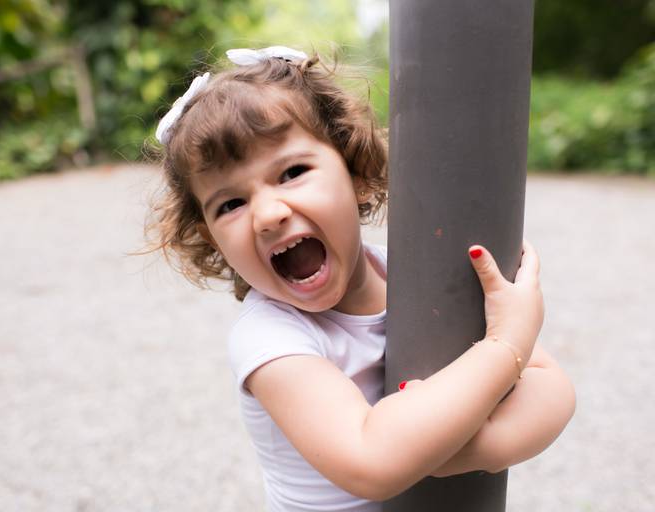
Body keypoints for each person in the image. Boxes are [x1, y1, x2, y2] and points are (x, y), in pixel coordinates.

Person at [147, 46, 576, 512]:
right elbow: (370, 459)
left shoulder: (406, 273)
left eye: (292, 172)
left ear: (356, 172)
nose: (268, 215)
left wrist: (467, 450)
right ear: (211, 238)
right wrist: (506, 344)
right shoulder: (269, 339)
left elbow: (553, 389)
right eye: (231, 204)